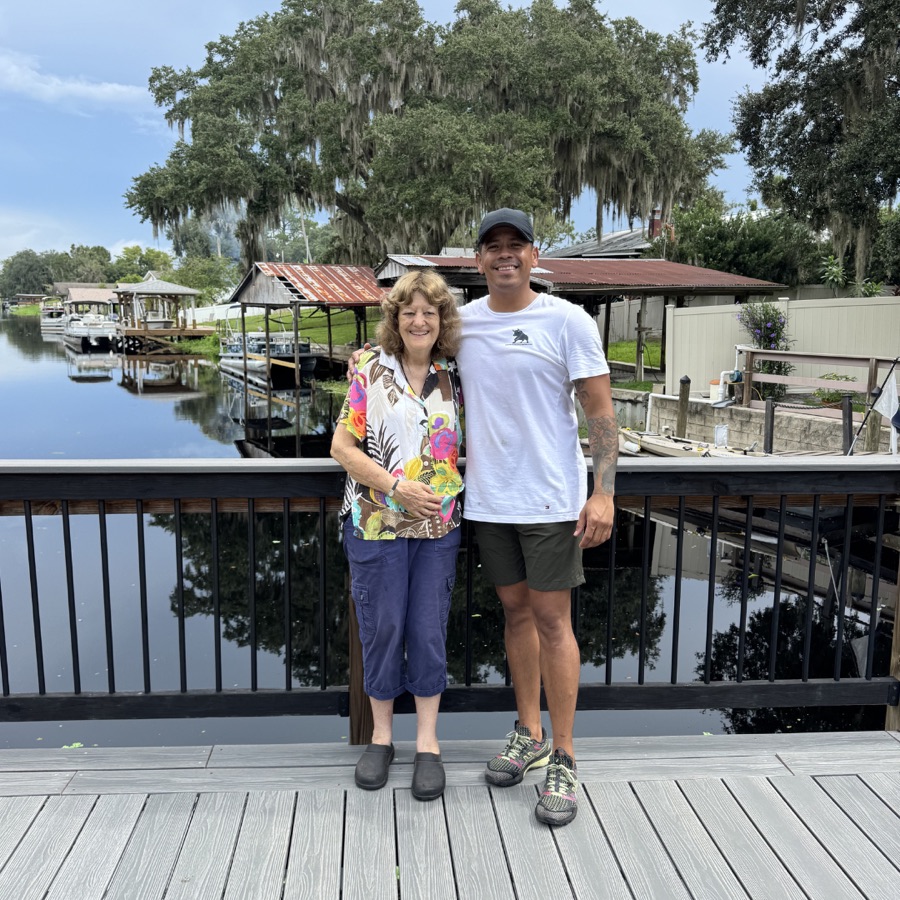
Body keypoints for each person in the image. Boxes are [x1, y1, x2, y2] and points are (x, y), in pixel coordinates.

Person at [349, 208, 617, 825]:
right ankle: (527, 732)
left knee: (554, 622)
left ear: (533, 253)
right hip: (488, 501)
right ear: (478, 260)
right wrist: (359, 361)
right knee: (516, 615)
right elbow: (403, 343)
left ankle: (565, 757)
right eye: (492, 247)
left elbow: (600, 413)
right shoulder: (462, 324)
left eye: (515, 245)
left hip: (551, 499)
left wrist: (602, 492)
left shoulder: (567, 320)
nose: (504, 255)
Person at [331, 269, 464, 802]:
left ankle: (427, 744)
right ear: (395, 318)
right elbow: (343, 448)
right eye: (409, 311)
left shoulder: (455, 375)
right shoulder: (368, 369)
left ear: (441, 321)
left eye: (429, 312)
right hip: (375, 521)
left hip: (437, 526)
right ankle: (382, 738)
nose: (418, 320)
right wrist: (396, 487)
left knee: (427, 630)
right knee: (382, 627)